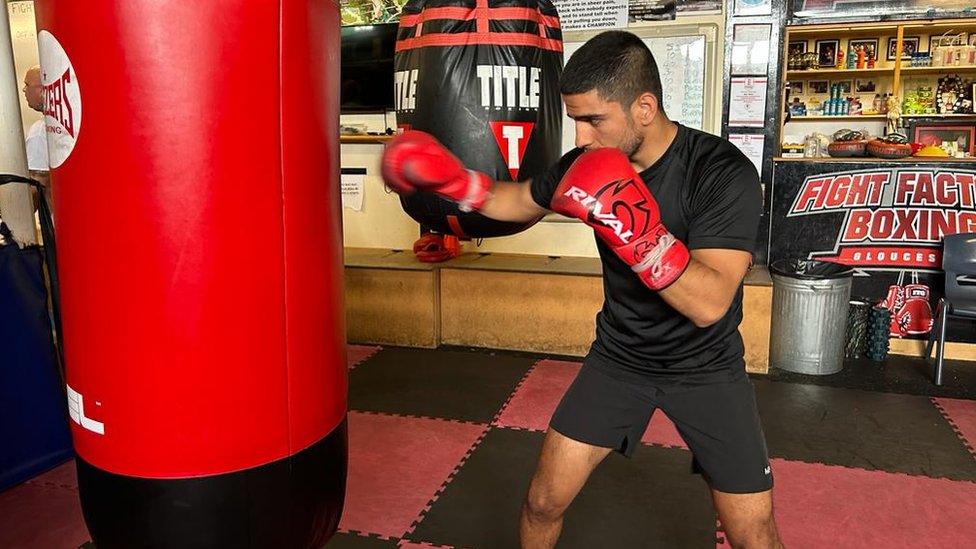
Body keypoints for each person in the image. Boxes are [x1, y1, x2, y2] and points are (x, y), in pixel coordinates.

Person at [380, 30, 780, 549]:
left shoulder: (721, 172)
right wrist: (455, 182)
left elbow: (709, 304)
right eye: (574, 120)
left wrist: (632, 226)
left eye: (594, 120)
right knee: (542, 503)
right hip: (619, 360)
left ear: (644, 107)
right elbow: (519, 200)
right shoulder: (584, 164)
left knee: (753, 533)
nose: (581, 139)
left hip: (707, 370)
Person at [21, 65, 51, 202]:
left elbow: (34, 193)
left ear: (42, 90)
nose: (24, 90)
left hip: (56, 222)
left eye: (27, 85)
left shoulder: (40, 132)